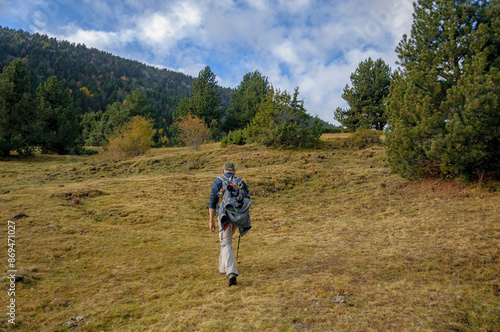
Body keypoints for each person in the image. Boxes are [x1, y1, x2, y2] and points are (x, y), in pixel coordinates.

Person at [209, 162, 250, 286]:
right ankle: (223, 268)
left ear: (223, 171)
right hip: (237, 217)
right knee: (225, 240)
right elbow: (247, 199)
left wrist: (211, 220)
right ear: (234, 172)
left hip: (224, 217)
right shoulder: (241, 182)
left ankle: (231, 272)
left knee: (226, 242)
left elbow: (212, 201)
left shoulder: (218, 181)